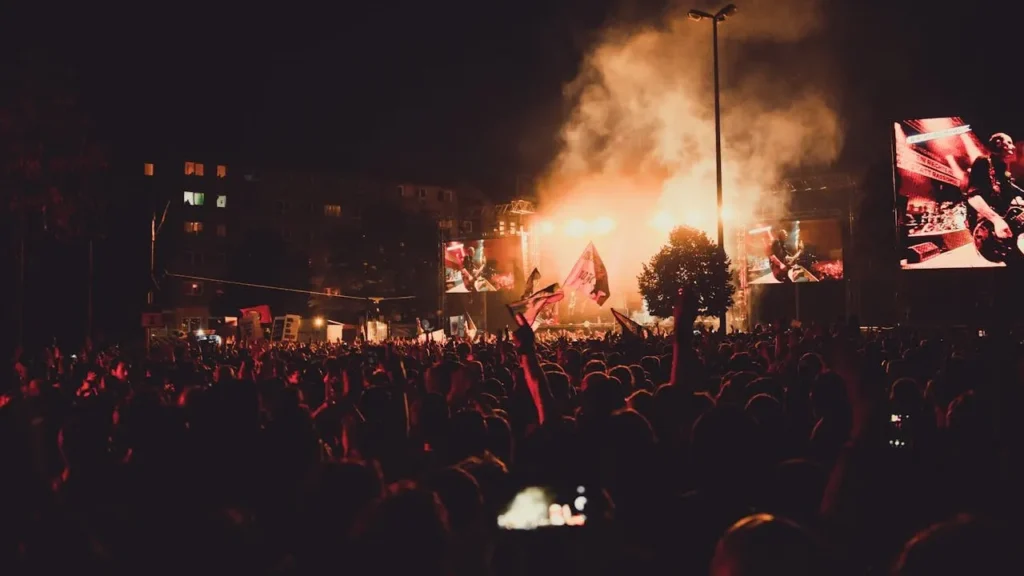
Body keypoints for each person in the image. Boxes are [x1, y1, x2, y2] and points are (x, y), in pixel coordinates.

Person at [965, 132, 1024, 264]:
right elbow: (973, 196)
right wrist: (996, 220)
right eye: (1009, 142)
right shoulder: (983, 162)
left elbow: (1014, 193)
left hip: (1006, 223)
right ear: (998, 143)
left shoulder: (1003, 171)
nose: (1013, 147)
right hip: (990, 229)